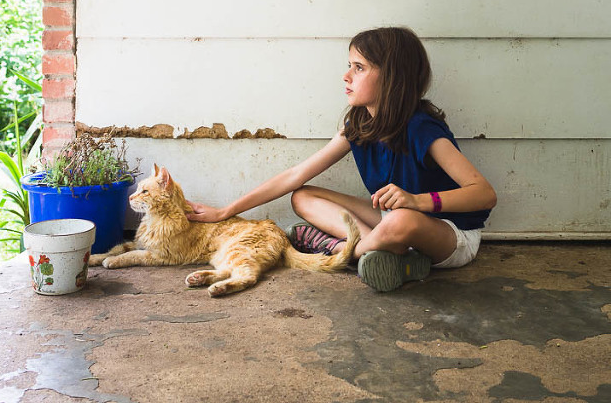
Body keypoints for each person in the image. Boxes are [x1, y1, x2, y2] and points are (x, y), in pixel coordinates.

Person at [186, 26, 497, 292]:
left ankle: (342, 250)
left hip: (448, 235)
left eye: (359, 68)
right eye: (349, 65)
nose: (346, 76)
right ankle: (391, 258)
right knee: (304, 196)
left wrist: (416, 201)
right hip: (391, 224)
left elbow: (484, 194)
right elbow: (297, 174)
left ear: (391, 77)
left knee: (402, 218)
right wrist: (227, 210)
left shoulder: (421, 128)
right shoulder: (360, 125)